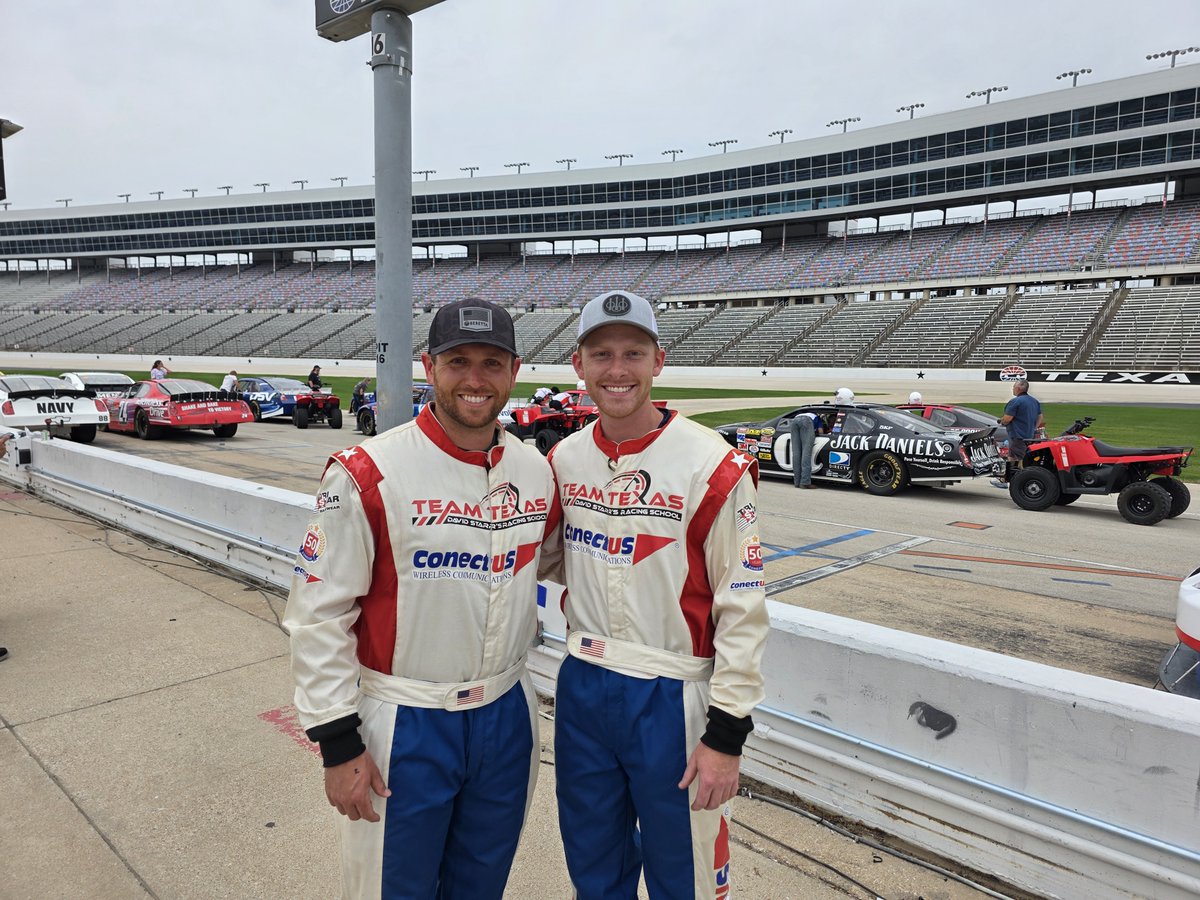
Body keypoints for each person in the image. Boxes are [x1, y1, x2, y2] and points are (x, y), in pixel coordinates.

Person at [283, 298, 561, 900]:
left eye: (492, 363)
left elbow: (568, 560)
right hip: (405, 718)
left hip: (507, 712)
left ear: (514, 372)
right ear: (429, 367)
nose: (475, 379)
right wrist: (338, 743)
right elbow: (317, 616)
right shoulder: (367, 471)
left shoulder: (535, 470)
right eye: (458, 361)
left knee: (481, 884)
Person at [547, 290, 769, 900]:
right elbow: (541, 560)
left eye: (633, 354)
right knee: (594, 867)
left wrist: (726, 735)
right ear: (578, 364)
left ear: (658, 361)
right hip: (584, 682)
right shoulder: (563, 459)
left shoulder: (713, 464)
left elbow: (743, 608)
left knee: (686, 876)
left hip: (674, 695)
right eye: (602, 354)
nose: (617, 370)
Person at [995, 378, 1045, 484]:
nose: (1012, 389)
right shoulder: (1034, 401)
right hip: (1029, 435)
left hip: (1017, 435)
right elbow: (1040, 417)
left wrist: (1001, 421)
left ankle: (1008, 480)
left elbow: (1007, 419)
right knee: (1022, 457)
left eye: (1014, 386)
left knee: (1013, 458)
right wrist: (1033, 428)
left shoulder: (1015, 402)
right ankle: (1010, 479)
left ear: (1018, 388)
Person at [789, 410, 825, 489]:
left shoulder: (804, 414)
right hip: (806, 421)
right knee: (806, 452)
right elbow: (821, 432)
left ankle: (797, 482)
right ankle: (805, 482)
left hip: (794, 421)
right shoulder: (817, 418)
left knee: (796, 453)